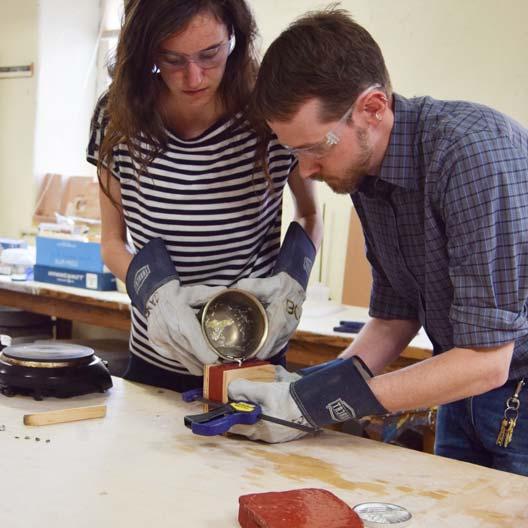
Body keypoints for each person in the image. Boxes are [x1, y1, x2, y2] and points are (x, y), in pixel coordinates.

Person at [226, 8, 528, 477]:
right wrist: (304, 386)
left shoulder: (470, 155)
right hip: (460, 387)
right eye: (294, 151)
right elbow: (394, 318)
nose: (304, 171)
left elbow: (487, 360)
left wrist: (319, 403)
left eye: (314, 147)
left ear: (372, 107)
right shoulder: (364, 171)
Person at [87, 0, 322, 393]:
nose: (193, 76)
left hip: (252, 357)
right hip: (157, 357)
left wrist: (292, 281)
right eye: (172, 59)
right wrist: (158, 297)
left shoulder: (268, 111)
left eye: (210, 54)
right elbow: (112, 243)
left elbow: (310, 215)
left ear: (234, 36)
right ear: (146, 51)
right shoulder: (117, 116)